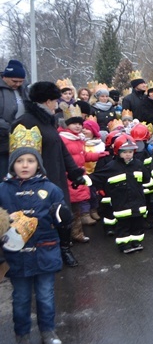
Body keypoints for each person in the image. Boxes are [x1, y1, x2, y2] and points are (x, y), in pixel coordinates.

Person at [0, 124, 70, 344]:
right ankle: (22, 335)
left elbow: (62, 219)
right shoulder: (3, 190)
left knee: (45, 297)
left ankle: (48, 331)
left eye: (30, 161)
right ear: (13, 163)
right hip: (16, 255)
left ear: (38, 164)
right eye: (19, 161)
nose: (24, 165)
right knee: (20, 299)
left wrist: (62, 216)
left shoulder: (50, 189)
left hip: (45, 251)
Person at [12, 81, 87, 268]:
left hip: (57, 177)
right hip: (40, 182)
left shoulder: (48, 120)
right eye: (55, 101)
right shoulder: (27, 123)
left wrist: (74, 172)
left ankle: (64, 248)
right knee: (43, 219)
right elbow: (23, 160)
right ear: (46, 101)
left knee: (62, 216)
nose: (57, 105)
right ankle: (43, 254)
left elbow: (61, 149)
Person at [91, 134, 152, 254]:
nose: (128, 154)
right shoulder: (112, 166)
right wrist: (81, 179)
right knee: (123, 226)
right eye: (124, 152)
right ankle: (124, 245)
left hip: (138, 202)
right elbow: (98, 177)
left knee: (137, 224)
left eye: (130, 151)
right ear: (117, 152)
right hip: (121, 203)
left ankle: (136, 241)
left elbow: (147, 179)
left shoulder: (138, 164)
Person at [58, 105, 107, 242]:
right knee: (70, 209)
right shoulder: (63, 139)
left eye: (80, 123)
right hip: (69, 177)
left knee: (76, 208)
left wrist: (98, 155)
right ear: (67, 124)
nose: (78, 126)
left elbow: (83, 155)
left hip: (77, 176)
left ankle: (75, 233)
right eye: (74, 123)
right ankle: (71, 235)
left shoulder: (78, 139)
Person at [0, 60, 29, 177]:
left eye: (20, 82)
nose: (17, 84)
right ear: (5, 77)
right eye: (14, 81)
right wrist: (9, 128)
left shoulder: (24, 90)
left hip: (21, 140)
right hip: (3, 140)